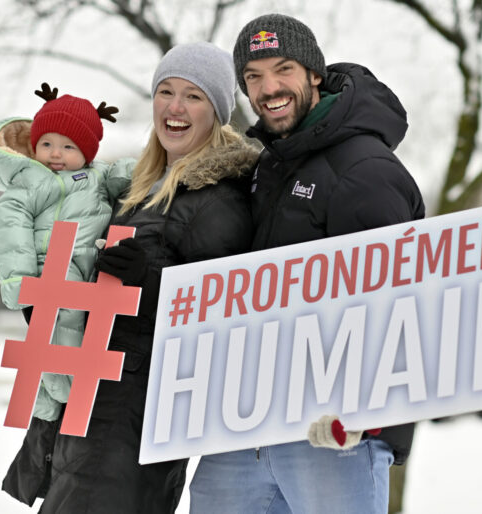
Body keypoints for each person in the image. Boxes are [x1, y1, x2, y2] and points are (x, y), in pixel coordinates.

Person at [189, 13, 425, 514]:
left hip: (330, 435)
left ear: (314, 73)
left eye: (284, 69)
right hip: (243, 425)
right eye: (253, 76)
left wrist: (362, 407)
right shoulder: (267, 163)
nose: (269, 87)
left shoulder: (364, 170)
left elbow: (395, 301)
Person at [36, 41, 258, 513]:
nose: (175, 108)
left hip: (138, 415)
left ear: (218, 112)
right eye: (165, 91)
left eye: (194, 96)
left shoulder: (221, 200)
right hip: (95, 396)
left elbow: (223, 311)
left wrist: (150, 278)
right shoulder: (143, 185)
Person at [0, 84, 130, 425]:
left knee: (71, 331)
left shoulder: (96, 176)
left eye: (68, 146)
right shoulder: (32, 181)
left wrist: (137, 168)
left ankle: (49, 396)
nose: (55, 153)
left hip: (91, 265)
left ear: (88, 152)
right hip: (49, 267)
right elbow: (10, 223)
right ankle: (60, 390)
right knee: (61, 326)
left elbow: (125, 176)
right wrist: (18, 277)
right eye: (46, 144)